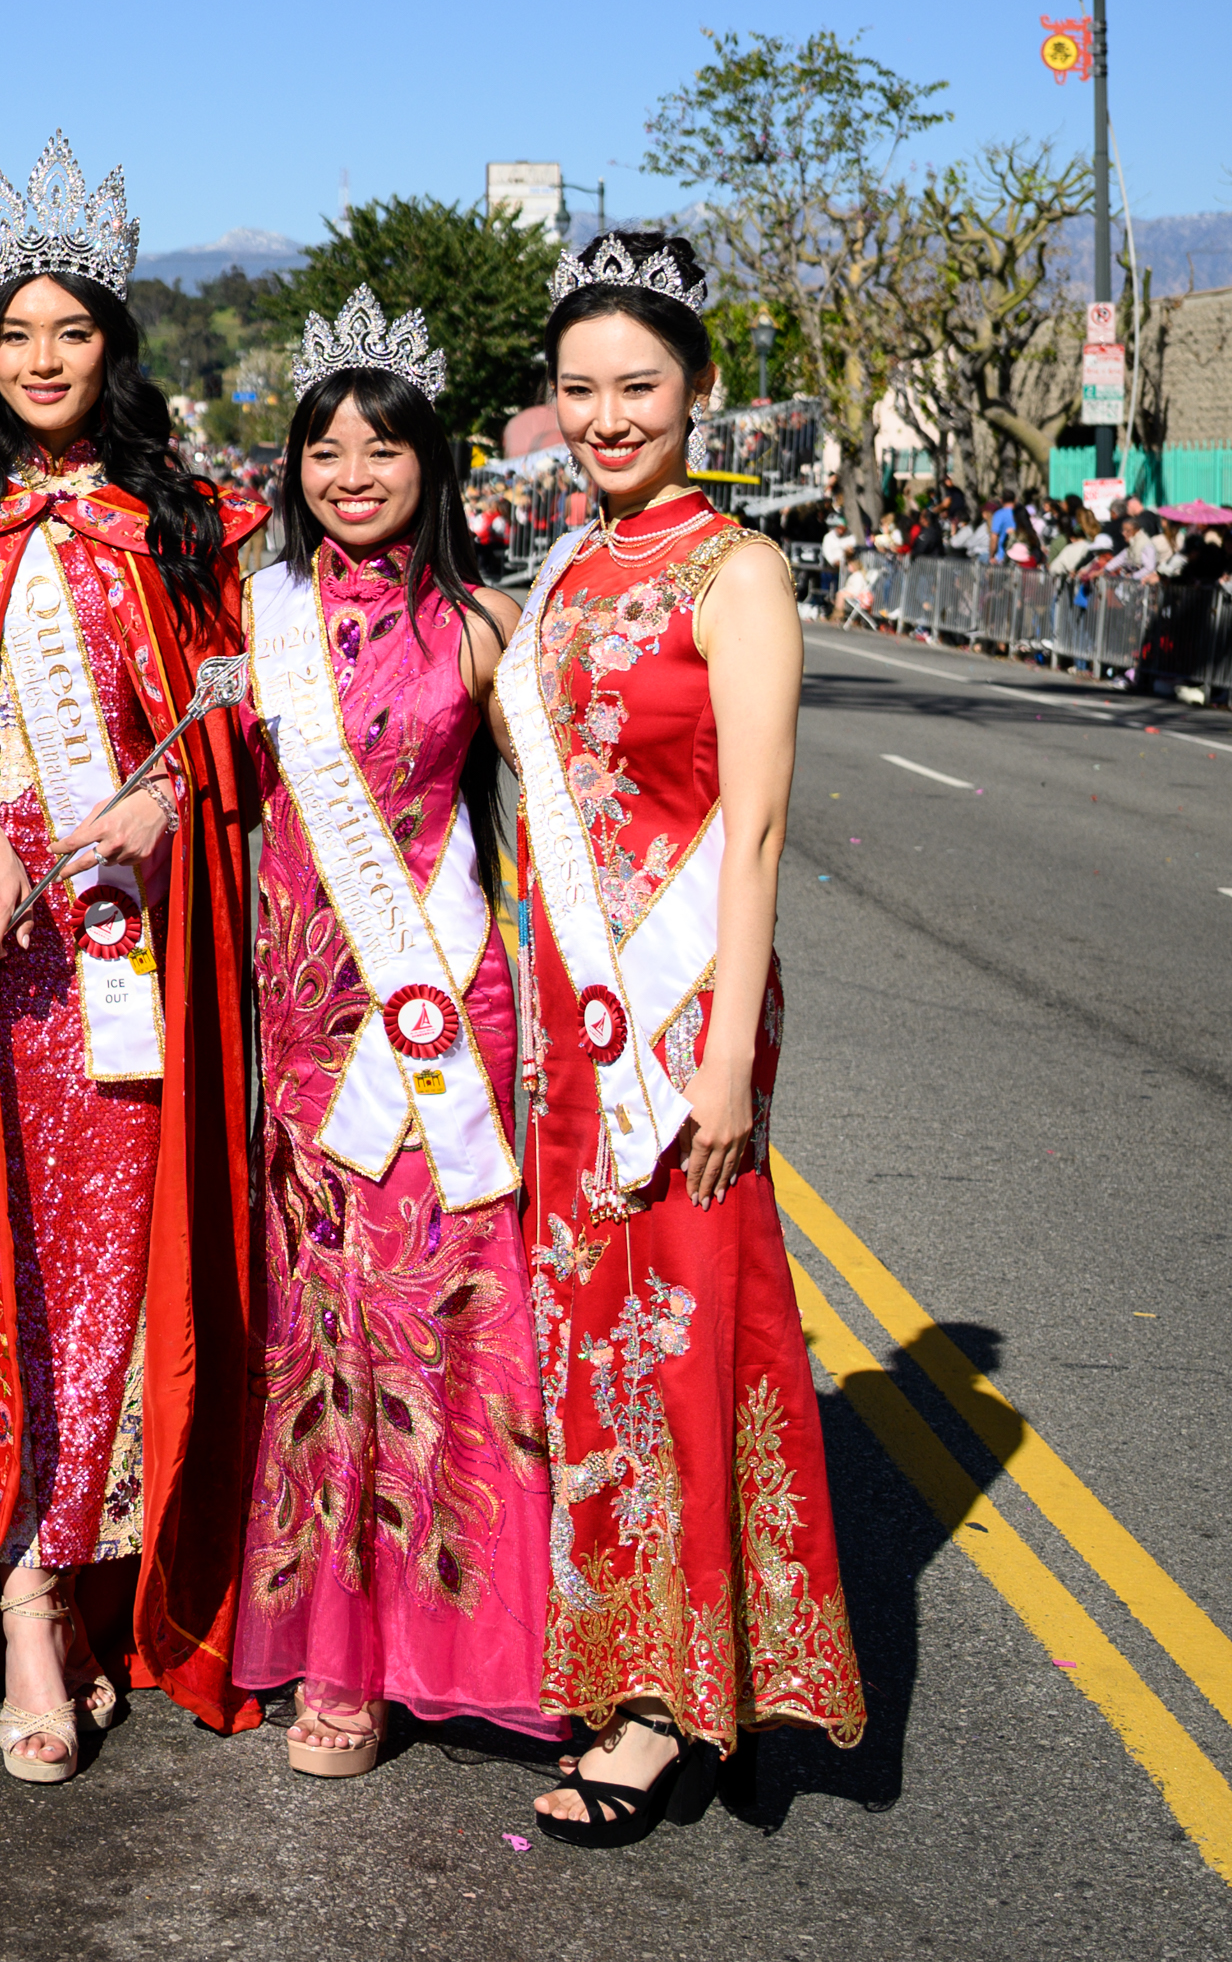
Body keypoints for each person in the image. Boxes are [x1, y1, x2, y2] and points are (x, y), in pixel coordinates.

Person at [0, 131, 258, 1784]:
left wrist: (163, 794)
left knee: (110, 1274)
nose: (40, 360)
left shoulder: (180, 525)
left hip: (135, 956)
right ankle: (14, 1587)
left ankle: (69, 1579)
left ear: (113, 344)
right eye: (14, 334)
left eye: (69, 332)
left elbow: (237, 713)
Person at [495, 233, 864, 1847]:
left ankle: (668, 1708)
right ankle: (613, 1655)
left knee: (683, 1335)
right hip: (566, 1025)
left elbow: (758, 829)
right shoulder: (570, 567)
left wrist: (724, 1062)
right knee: (585, 1335)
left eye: (637, 384)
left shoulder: (739, 572)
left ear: (699, 386)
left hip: (677, 1017)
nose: (607, 416)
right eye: (579, 389)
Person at [225, 289, 555, 1776]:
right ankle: (336, 1652)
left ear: (434, 461)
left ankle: (456, 1635)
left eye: (383, 446)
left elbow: (565, 839)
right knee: (320, 1327)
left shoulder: (485, 627)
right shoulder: (260, 617)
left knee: (436, 1316)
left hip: (439, 1018)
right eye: (325, 448)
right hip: (300, 1015)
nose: (351, 473)